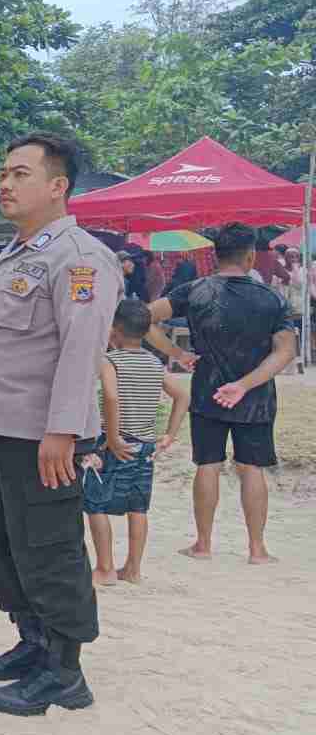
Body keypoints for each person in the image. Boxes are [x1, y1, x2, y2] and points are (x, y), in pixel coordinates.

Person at [0, 132, 119, 716]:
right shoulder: (17, 253)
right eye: (4, 173)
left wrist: (63, 431)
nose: (5, 183)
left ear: (57, 186)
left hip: (41, 436)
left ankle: (65, 671)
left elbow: (81, 350)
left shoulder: (79, 257)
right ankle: (33, 640)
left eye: (21, 174)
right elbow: (1, 344)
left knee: (48, 547)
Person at [143, 222, 298, 565]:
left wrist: (176, 353)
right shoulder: (271, 297)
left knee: (208, 464)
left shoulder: (194, 290)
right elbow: (286, 351)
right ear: (250, 256)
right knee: (252, 468)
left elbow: (143, 318)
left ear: (215, 255)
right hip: (255, 397)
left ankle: (203, 545)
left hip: (206, 391)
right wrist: (244, 385)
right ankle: (257, 549)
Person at [82, 300, 188, 586]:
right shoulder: (154, 362)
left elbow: (111, 396)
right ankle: (133, 569)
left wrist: (113, 437)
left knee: (95, 503)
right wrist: (169, 435)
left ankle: (105, 568)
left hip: (115, 444)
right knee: (138, 507)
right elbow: (182, 396)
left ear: (114, 330)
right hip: (146, 446)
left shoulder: (109, 361)